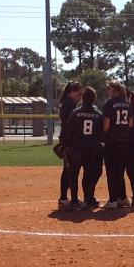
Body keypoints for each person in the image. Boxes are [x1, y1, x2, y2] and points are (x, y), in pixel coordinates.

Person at [60, 86, 104, 210]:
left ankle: (74, 201)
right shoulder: (98, 114)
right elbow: (102, 134)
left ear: (83, 98)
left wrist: (66, 146)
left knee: (73, 174)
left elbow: (69, 131)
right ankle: (89, 199)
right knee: (89, 175)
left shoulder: (75, 112)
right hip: (92, 150)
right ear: (94, 99)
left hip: (76, 149)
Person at [100, 81, 134, 210]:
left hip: (112, 141)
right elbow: (130, 123)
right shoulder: (127, 104)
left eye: (108, 89)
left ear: (114, 90)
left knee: (111, 172)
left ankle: (113, 200)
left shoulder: (109, 104)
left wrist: (103, 136)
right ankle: (123, 198)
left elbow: (106, 125)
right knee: (120, 171)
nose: (107, 91)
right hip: (124, 141)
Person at [55, 81, 83, 209]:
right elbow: (70, 124)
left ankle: (65, 197)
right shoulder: (69, 104)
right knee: (69, 169)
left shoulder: (68, 102)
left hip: (67, 139)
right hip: (69, 140)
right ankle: (65, 198)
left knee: (68, 169)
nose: (80, 95)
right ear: (71, 91)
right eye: (78, 92)